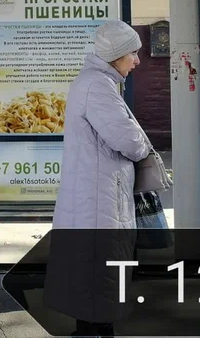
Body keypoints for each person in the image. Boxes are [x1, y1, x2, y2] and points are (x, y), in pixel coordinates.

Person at [51, 19, 152, 338]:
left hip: (95, 196)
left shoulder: (95, 82)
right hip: (100, 201)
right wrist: (141, 139)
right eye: (133, 54)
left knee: (93, 281)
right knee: (100, 278)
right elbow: (131, 143)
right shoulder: (98, 87)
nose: (137, 61)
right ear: (117, 55)